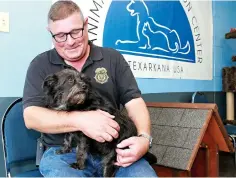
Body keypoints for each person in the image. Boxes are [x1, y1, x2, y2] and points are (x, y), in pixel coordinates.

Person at [23, 0, 157, 177]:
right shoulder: (40, 64)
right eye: (61, 36)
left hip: (115, 148)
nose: (69, 42)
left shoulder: (113, 58)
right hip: (64, 152)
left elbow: (135, 103)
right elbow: (31, 117)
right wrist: (81, 120)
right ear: (50, 32)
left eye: (75, 32)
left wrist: (144, 139)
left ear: (86, 24)